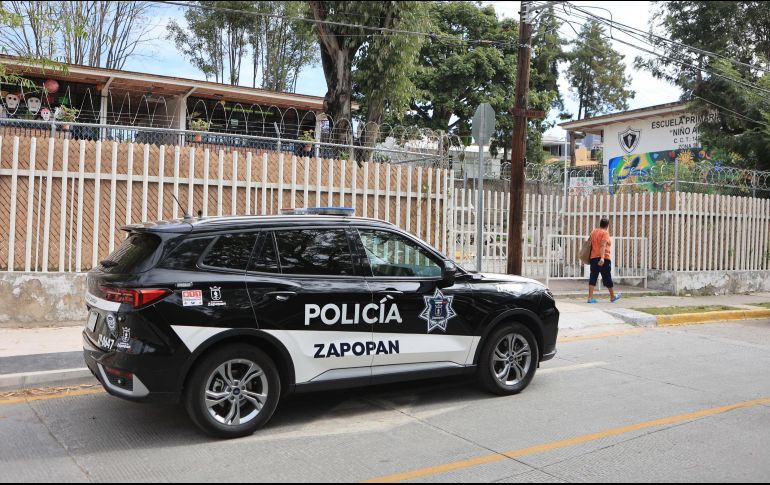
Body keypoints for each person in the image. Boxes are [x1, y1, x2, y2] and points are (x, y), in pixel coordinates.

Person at [587, 217, 620, 304]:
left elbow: (589, 243)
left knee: (593, 276)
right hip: (603, 258)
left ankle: (590, 298)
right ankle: (612, 296)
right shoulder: (605, 233)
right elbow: (603, 245)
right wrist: (602, 258)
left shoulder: (593, 232)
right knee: (607, 277)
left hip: (593, 257)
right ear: (607, 225)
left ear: (600, 224)